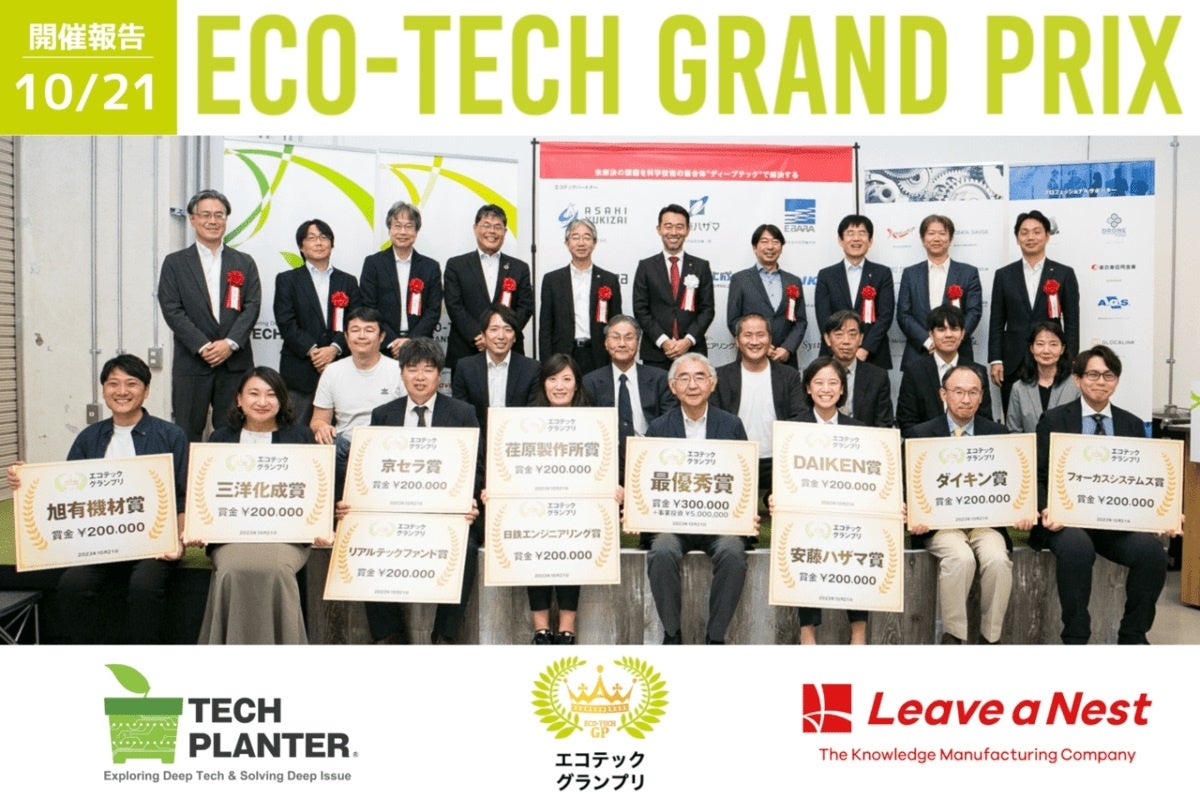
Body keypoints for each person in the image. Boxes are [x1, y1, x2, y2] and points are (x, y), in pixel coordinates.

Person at [6, 355, 187, 644]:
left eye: (131, 384)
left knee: (144, 586)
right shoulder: (89, 437)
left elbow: (183, 496)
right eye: (113, 384)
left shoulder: (171, 435)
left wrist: (177, 539)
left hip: (153, 543)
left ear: (146, 391)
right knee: (72, 585)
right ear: (103, 390)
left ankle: (145, 658)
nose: (122, 391)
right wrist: (25, 481)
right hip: (97, 542)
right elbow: (65, 493)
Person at [1034, 346, 1178, 644]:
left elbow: (1146, 478)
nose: (1101, 381)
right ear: (1077, 379)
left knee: (1152, 554)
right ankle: (1076, 637)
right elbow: (1038, 475)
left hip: (1116, 524)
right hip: (1066, 522)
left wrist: (1163, 513)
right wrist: (1046, 509)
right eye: (1093, 375)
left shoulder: (1132, 424)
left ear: (1117, 381)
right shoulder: (1054, 420)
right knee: (1077, 548)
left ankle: (1132, 635)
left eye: (1108, 375)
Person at [353, 338, 484, 644]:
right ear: (402, 373)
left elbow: (475, 466)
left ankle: (444, 635)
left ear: (440, 375)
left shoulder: (462, 413)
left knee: (466, 547)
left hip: (447, 513)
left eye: (428, 369)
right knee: (363, 541)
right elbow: (371, 469)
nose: (420, 377)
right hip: (395, 511)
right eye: (413, 369)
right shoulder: (383, 414)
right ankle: (389, 635)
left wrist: (468, 501)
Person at [905, 365, 1036, 645]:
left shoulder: (998, 434)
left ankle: (991, 638)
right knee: (960, 558)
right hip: (941, 527)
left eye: (973, 392)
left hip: (985, 525)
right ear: (943, 394)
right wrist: (912, 513)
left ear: (982, 396)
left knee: (998, 560)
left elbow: (1012, 484)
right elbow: (910, 487)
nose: (966, 399)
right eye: (958, 392)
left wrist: (1022, 511)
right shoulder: (920, 435)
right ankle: (954, 636)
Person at [196, 367, 317, 645]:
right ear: (239, 399)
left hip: (287, 536)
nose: (262, 401)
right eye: (254, 393)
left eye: (271, 394)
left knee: (277, 571)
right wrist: (199, 526)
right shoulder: (220, 439)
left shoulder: (300, 438)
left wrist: (321, 523)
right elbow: (207, 492)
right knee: (231, 571)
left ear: (282, 400)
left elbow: (314, 491)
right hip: (231, 536)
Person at [517, 354, 622, 645]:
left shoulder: (595, 422)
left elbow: (607, 462)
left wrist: (614, 487)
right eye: (552, 379)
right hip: (535, 507)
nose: (559, 386)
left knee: (572, 547)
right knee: (535, 547)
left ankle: (567, 628)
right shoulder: (524, 421)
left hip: (579, 507)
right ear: (543, 384)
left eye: (566, 379)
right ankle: (540, 630)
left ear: (577, 384)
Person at [645, 353, 748, 644]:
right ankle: (672, 634)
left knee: (733, 552)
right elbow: (648, 481)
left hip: (719, 523)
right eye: (684, 378)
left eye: (700, 376)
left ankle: (715, 638)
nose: (692, 385)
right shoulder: (659, 428)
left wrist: (745, 512)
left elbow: (744, 477)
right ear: (672, 386)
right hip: (673, 524)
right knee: (662, 550)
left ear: (712, 383)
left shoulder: (731, 425)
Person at [157, 188, 262, 442]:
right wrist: (203, 346)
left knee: (235, 431)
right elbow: (171, 308)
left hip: (235, 363)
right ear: (193, 219)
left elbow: (252, 305)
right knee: (187, 431)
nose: (212, 221)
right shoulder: (175, 263)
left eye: (219, 215)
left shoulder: (244, 262)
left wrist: (230, 343)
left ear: (226, 219)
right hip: (192, 362)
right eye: (205, 215)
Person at [790, 356, 869, 644]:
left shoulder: (859, 429)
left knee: (860, 542)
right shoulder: (792, 429)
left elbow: (870, 478)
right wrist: (775, 496)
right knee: (804, 541)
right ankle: (807, 630)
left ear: (842, 389)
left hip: (848, 512)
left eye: (833, 383)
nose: (826, 389)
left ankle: (858, 631)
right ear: (808, 388)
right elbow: (782, 476)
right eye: (819, 383)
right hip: (807, 512)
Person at [988, 210, 1080, 410]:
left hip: (1051, 359)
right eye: (1024, 232)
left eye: (1037, 232)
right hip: (1013, 360)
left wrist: (1071, 359)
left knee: (1056, 414)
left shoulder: (1064, 273)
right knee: (1014, 415)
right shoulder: (1004, 275)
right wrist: (996, 359)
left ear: (1047, 236)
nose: (1030, 237)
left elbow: (1072, 321)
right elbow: (996, 321)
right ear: (1017, 238)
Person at [274, 218, 360, 425]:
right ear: (301, 247)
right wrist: (313, 351)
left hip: (340, 365)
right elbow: (286, 322)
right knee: (295, 431)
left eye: (324, 237)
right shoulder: (287, 279)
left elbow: (355, 321)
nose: (319, 242)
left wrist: (334, 348)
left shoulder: (348, 281)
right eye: (311, 238)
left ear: (331, 243)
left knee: (339, 431)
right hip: (300, 368)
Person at [310, 307, 400, 499]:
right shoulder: (332, 371)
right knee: (329, 446)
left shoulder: (398, 370)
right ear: (346, 336)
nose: (361, 336)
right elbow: (317, 420)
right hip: (345, 446)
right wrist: (322, 427)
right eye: (355, 330)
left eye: (369, 330)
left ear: (382, 336)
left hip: (386, 444)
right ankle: (335, 509)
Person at [712, 313, 805, 491]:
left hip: (777, 461)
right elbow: (715, 421)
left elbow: (799, 417)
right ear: (737, 341)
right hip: (734, 459)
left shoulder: (789, 376)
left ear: (770, 340)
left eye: (760, 335)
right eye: (747, 335)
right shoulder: (720, 376)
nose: (754, 342)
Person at [443, 204, 533, 368]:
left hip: (509, 351)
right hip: (467, 349)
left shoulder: (519, 268)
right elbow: (454, 306)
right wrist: (480, 336)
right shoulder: (456, 265)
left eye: (498, 227)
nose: (492, 231)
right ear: (475, 228)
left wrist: (502, 334)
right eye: (486, 225)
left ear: (505, 232)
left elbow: (525, 307)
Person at [582, 315, 676, 469]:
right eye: (615, 337)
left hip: (652, 458)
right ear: (606, 343)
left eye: (629, 338)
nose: (622, 343)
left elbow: (669, 425)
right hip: (605, 461)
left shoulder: (660, 379)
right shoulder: (590, 382)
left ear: (638, 343)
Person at [632, 204, 715, 369]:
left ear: (687, 230)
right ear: (659, 229)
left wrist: (688, 341)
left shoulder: (701, 266)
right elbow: (640, 309)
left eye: (679, 227)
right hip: (656, 352)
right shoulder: (646, 267)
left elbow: (707, 310)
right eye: (668, 226)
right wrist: (663, 341)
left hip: (693, 351)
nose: (674, 232)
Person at [896, 214, 982, 370]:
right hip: (919, 353)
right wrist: (928, 342)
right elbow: (904, 314)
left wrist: (952, 340)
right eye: (931, 233)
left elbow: (974, 312)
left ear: (950, 238)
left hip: (958, 353)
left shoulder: (968, 273)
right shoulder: (910, 274)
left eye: (942, 233)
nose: (936, 238)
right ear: (923, 239)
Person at [359, 201, 444, 358]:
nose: (402, 232)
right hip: (382, 346)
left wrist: (411, 341)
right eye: (397, 226)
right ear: (389, 229)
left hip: (421, 346)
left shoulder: (430, 267)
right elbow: (369, 306)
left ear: (416, 231)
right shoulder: (373, 264)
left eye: (409, 226)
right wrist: (392, 341)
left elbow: (433, 309)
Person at [538, 218, 623, 373]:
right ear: (567, 243)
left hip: (599, 355)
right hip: (563, 355)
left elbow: (616, 324)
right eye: (575, 237)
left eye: (587, 237)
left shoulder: (609, 280)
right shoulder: (552, 280)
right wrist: (547, 364)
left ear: (594, 243)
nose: (581, 243)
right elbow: (545, 327)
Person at [815, 214, 895, 371]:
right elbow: (824, 317)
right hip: (834, 355)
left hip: (873, 355)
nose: (856, 238)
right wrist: (839, 350)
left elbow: (885, 316)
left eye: (862, 233)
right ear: (840, 240)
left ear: (870, 241)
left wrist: (865, 348)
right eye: (850, 233)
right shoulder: (826, 275)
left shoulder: (882, 273)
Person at [896, 305, 992, 434]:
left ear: (962, 333)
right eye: (941, 329)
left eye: (954, 329)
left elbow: (985, 420)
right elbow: (906, 421)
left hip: (970, 443)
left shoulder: (977, 371)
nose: (948, 335)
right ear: (931, 334)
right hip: (926, 443)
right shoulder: (914, 372)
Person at [451, 305, 541, 436]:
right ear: (483, 335)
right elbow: (462, 416)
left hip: (518, 439)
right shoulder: (465, 368)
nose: (501, 336)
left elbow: (532, 415)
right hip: (478, 440)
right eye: (494, 329)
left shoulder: (531, 369)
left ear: (515, 337)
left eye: (508, 330)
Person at [725, 224, 806, 365]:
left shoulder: (793, 281)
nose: (770, 247)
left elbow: (800, 321)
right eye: (764, 241)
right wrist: (761, 344)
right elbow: (734, 320)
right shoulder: (740, 279)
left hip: (785, 359)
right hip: (751, 355)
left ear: (781, 248)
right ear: (755, 247)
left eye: (775, 242)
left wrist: (788, 348)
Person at [820, 310, 894, 428]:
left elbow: (884, 424)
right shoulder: (816, 373)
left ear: (860, 339)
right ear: (827, 339)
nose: (846, 341)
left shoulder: (878, 377)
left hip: (865, 437)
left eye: (852, 335)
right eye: (839, 334)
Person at [1005, 321, 1081, 433]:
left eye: (1053, 344)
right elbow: (1014, 430)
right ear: (1031, 348)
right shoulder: (1019, 388)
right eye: (1040, 344)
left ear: (1062, 349)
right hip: (1030, 444)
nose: (1046, 351)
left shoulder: (1076, 385)